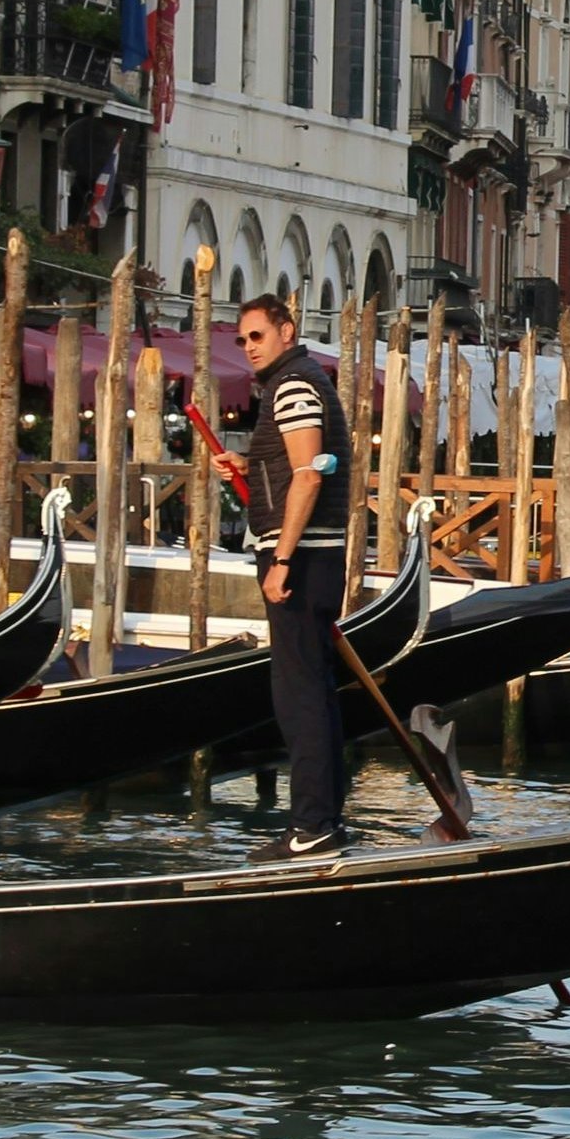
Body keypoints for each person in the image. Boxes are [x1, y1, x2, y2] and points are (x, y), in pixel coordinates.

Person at [214, 292, 356, 860]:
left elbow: (310, 476)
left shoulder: (294, 386)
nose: (249, 347)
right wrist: (250, 467)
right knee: (312, 688)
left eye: (258, 336)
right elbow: (298, 467)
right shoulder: (296, 382)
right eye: (242, 339)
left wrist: (282, 560)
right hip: (311, 555)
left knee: (298, 694)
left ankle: (312, 826)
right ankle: (324, 821)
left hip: (302, 558)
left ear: (287, 331)